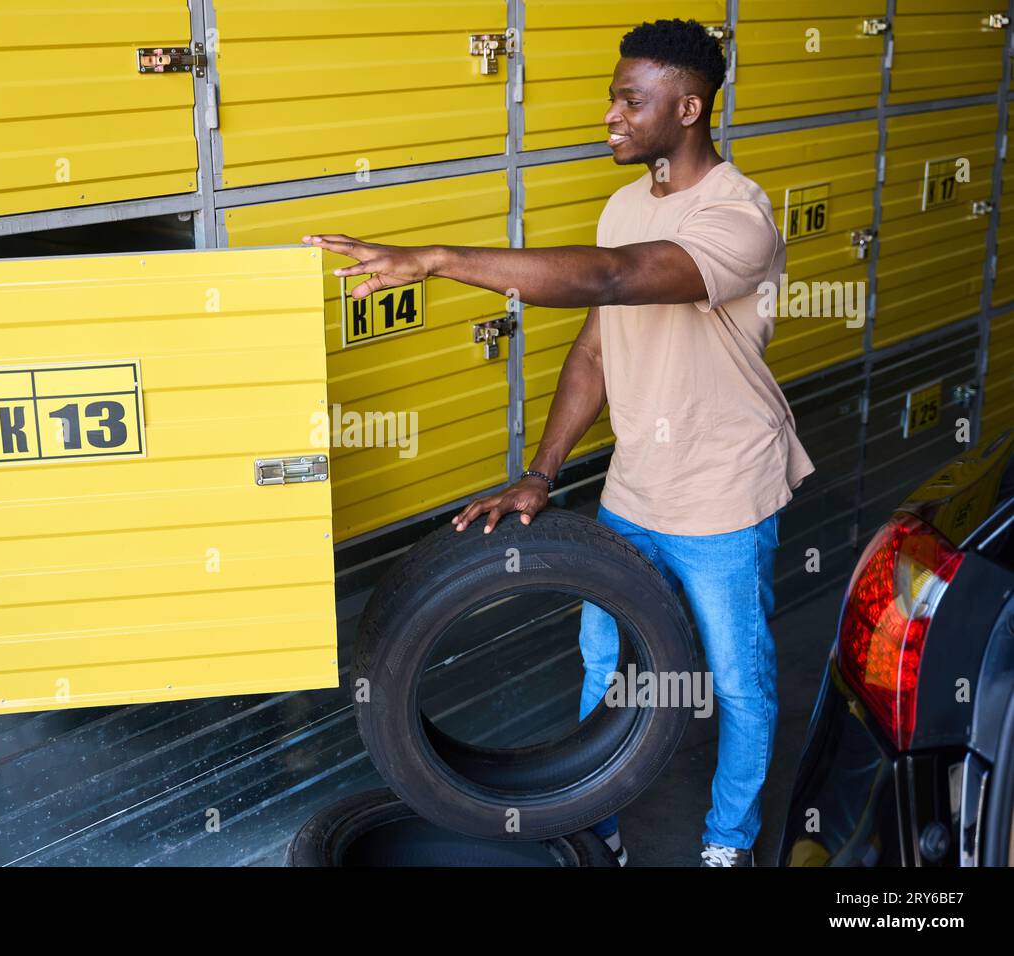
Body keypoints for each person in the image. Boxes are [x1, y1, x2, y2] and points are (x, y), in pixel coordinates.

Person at [302, 17, 813, 867]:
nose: (610, 114)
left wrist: (435, 258)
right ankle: (596, 822)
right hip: (636, 484)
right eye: (614, 95)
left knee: (738, 684)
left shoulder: (739, 216)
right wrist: (540, 472)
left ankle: (728, 842)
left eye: (630, 100)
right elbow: (596, 347)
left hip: (724, 487)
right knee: (605, 662)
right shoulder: (622, 206)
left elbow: (615, 277)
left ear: (687, 109)